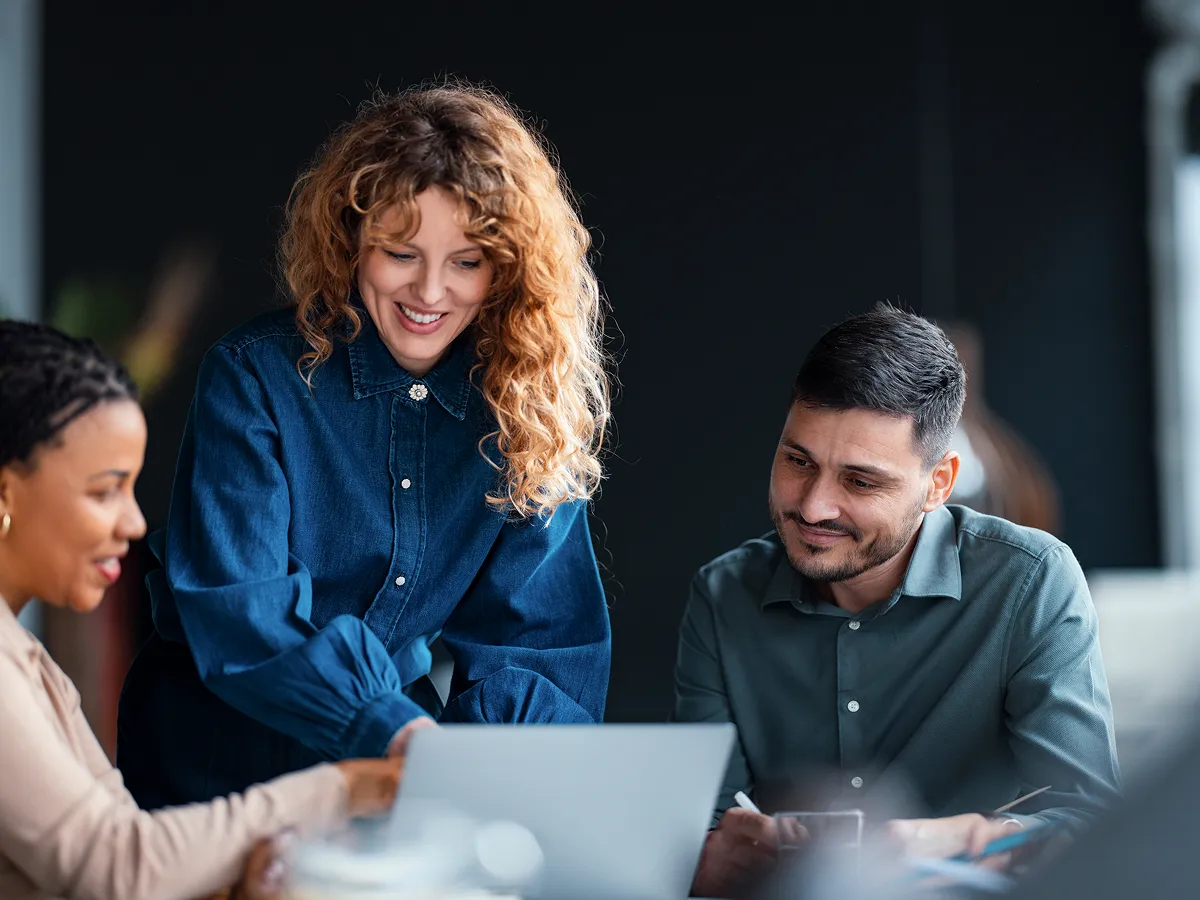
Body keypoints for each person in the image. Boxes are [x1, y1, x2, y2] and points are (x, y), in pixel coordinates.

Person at [117, 81, 613, 809]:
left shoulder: (524, 409)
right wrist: (401, 736)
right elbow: (241, 613)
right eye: (400, 253)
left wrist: (485, 775)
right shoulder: (254, 375)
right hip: (217, 762)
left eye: (467, 261)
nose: (430, 291)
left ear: (507, 270)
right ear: (351, 239)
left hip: (398, 775)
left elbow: (539, 649)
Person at [674, 303, 1121, 898]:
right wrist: (710, 856)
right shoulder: (722, 594)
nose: (813, 507)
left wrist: (952, 838)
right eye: (798, 462)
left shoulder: (1030, 579)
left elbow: (1088, 822)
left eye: (860, 481)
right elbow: (701, 836)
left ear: (938, 483)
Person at [0, 320, 402, 900]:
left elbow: (127, 845)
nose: (136, 523)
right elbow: (115, 866)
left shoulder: (29, 661)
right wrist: (343, 789)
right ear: (6, 491)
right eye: (103, 490)